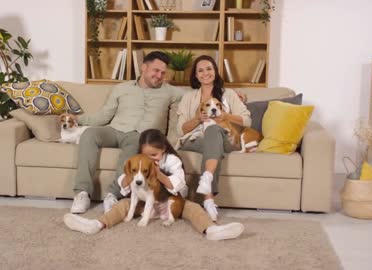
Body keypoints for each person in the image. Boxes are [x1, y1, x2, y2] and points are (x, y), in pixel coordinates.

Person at [64, 129, 245, 241]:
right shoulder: (138, 163)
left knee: (194, 208)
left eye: (155, 155)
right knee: (123, 204)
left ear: (163, 150)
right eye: (146, 156)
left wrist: (158, 174)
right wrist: (129, 176)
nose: (150, 160)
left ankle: (211, 230)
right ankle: (96, 224)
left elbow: (178, 184)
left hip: (173, 201)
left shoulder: (172, 160)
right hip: (145, 203)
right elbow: (124, 186)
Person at [70, 51, 186, 214]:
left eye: (162, 72)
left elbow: (196, 96)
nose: (159, 76)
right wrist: (77, 119)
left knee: (133, 147)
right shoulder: (121, 88)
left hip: (139, 135)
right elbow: (104, 115)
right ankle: (82, 193)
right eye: (155, 70)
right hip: (115, 129)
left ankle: (113, 195)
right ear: (144, 67)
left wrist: (227, 96)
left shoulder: (171, 91)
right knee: (89, 134)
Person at [176, 55, 252, 221]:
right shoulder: (189, 97)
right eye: (200, 70)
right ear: (195, 76)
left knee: (213, 131)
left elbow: (247, 119)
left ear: (215, 72)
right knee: (212, 141)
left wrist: (225, 115)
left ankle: (207, 188)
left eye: (209, 69)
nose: (205, 73)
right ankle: (208, 199)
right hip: (195, 139)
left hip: (226, 138)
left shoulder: (229, 94)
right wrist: (197, 119)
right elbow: (180, 130)